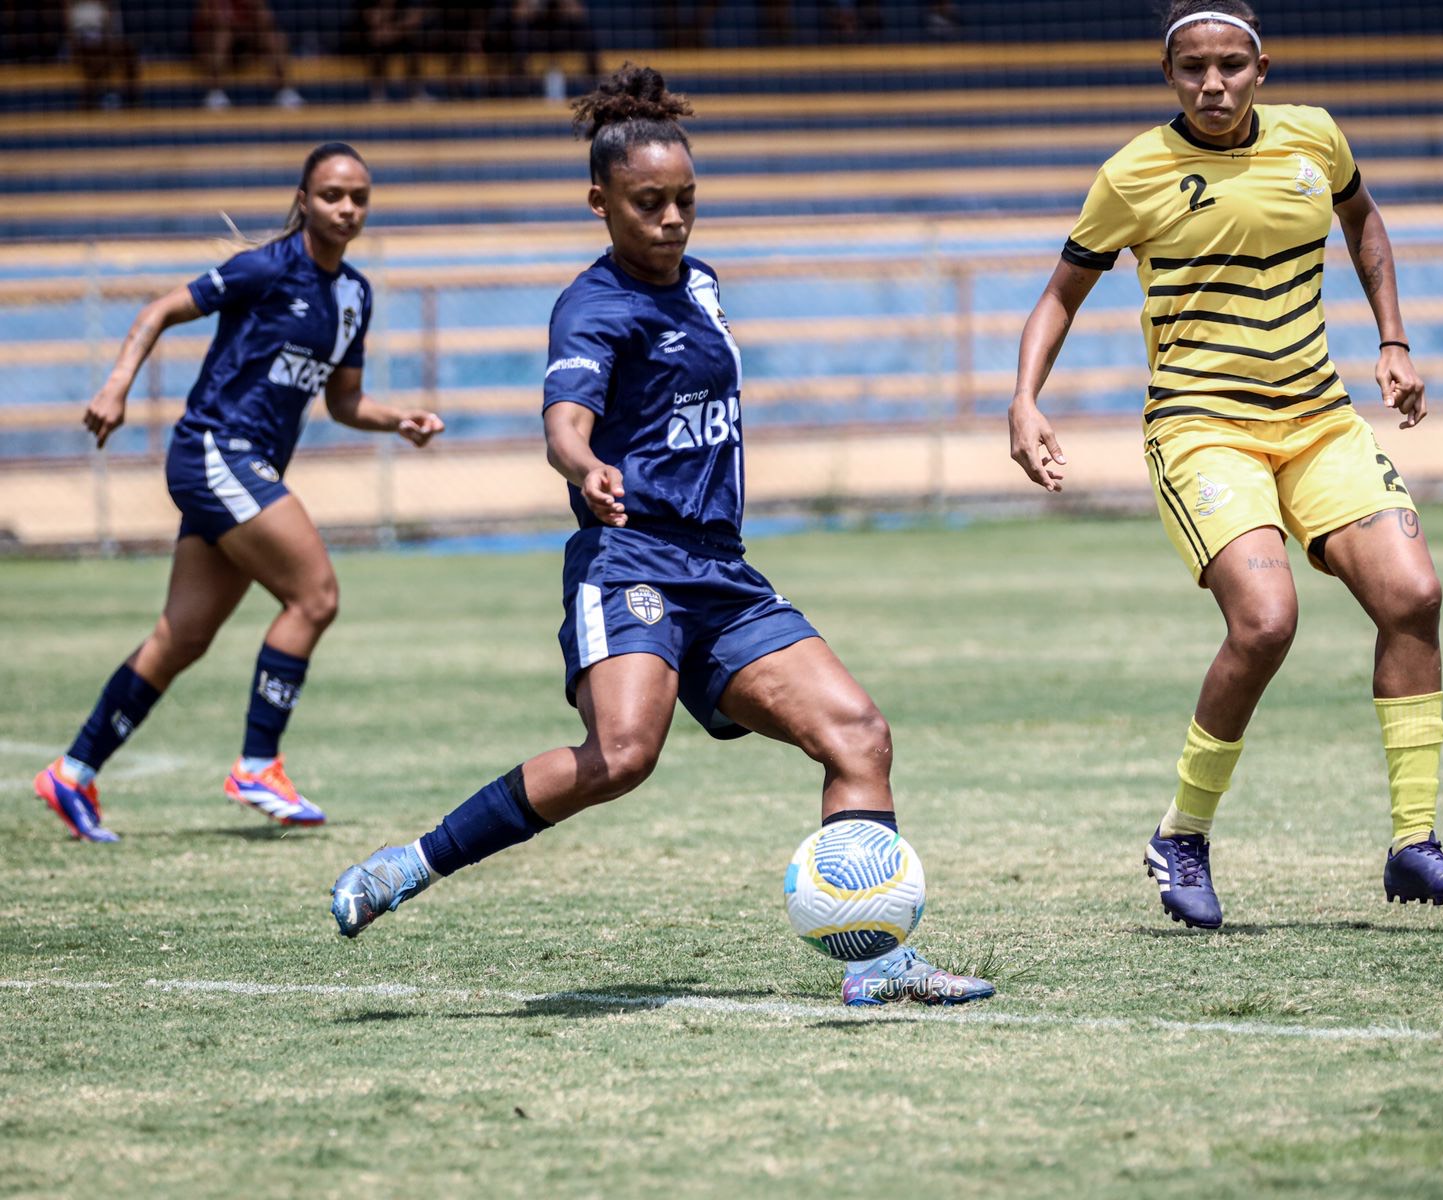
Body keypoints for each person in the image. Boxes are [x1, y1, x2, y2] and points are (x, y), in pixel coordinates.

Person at [329, 65, 994, 1009]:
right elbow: (565, 419)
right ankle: (415, 862)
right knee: (623, 757)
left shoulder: (706, 285)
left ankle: (877, 966)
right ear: (600, 203)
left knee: (859, 736)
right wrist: (583, 465)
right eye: (650, 203)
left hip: (720, 570)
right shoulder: (592, 307)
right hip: (630, 558)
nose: (674, 219)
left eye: (685, 199)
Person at [1008, 1, 1443, 929]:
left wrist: (1393, 340)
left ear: (1262, 68)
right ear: (1168, 74)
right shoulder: (1134, 173)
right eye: (1193, 68)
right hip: (1201, 427)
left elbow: (1366, 224)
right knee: (1266, 622)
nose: (1213, 83)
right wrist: (1025, 401)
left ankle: (1414, 844)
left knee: (1414, 597)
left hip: (1318, 419)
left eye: (1231, 65)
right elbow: (1060, 294)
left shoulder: (1316, 140)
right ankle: (1181, 835)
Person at [33, 143, 445, 844]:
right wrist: (114, 385)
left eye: (359, 198)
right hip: (216, 451)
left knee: (182, 636)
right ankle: (257, 764)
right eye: (332, 195)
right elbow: (161, 309)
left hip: (241, 467)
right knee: (315, 596)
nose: (347, 208)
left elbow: (345, 402)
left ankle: (72, 773)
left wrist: (396, 420)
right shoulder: (264, 268)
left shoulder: (354, 295)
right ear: (304, 200)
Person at [193, 0, 304, 110]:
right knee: (222, 36)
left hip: (246, 38)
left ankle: (284, 91)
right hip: (217, 42)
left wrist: (255, 7)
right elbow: (206, 19)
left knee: (275, 38)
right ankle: (215, 93)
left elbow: (267, 20)